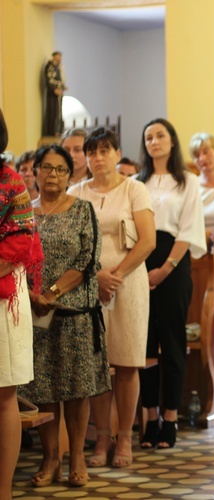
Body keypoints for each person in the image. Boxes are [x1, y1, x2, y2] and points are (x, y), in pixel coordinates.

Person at [20, 144, 110, 487]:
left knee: (75, 390)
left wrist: (51, 294)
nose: (52, 174)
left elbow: (88, 259)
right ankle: (50, 459)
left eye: (60, 169)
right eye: (45, 167)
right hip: (34, 313)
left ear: (69, 175)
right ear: (35, 172)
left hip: (74, 313)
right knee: (44, 388)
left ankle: (77, 458)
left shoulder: (83, 209)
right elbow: (16, 258)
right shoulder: (24, 213)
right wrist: (33, 296)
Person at [70, 127, 156, 468]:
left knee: (126, 360)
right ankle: (101, 437)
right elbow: (72, 243)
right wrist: (96, 277)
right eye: (92, 152)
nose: (98, 157)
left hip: (128, 282)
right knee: (96, 364)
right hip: (87, 283)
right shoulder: (76, 192)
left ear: (117, 154)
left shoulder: (135, 188)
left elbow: (147, 241)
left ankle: (124, 438)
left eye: (105, 150)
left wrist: (115, 275)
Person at [137, 118, 206, 449]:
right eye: (148, 137)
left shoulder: (187, 181)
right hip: (140, 262)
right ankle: (150, 417)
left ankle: (172, 417)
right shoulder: (137, 182)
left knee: (172, 340)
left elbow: (190, 229)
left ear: (172, 141)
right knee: (144, 345)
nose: (154, 141)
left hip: (174, 264)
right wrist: (141, 269)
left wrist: (164, 269)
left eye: (160, 135)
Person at [0, 107, 43, 500]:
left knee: (3, 394)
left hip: (2, 299)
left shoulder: (11, 182)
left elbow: (18, 245)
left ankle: (3, 489)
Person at [42, 51, 66, 137]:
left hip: (58, 94)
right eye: (59, 56)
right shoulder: (50, 67)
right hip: (53, 95)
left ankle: (57, 130)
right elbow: (50, 80)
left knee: (58, 112)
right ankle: (52, 131)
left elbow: (59, 79)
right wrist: (54, 89)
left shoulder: (57, 67)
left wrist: (62, 87)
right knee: (52, 112)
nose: (60, 59)